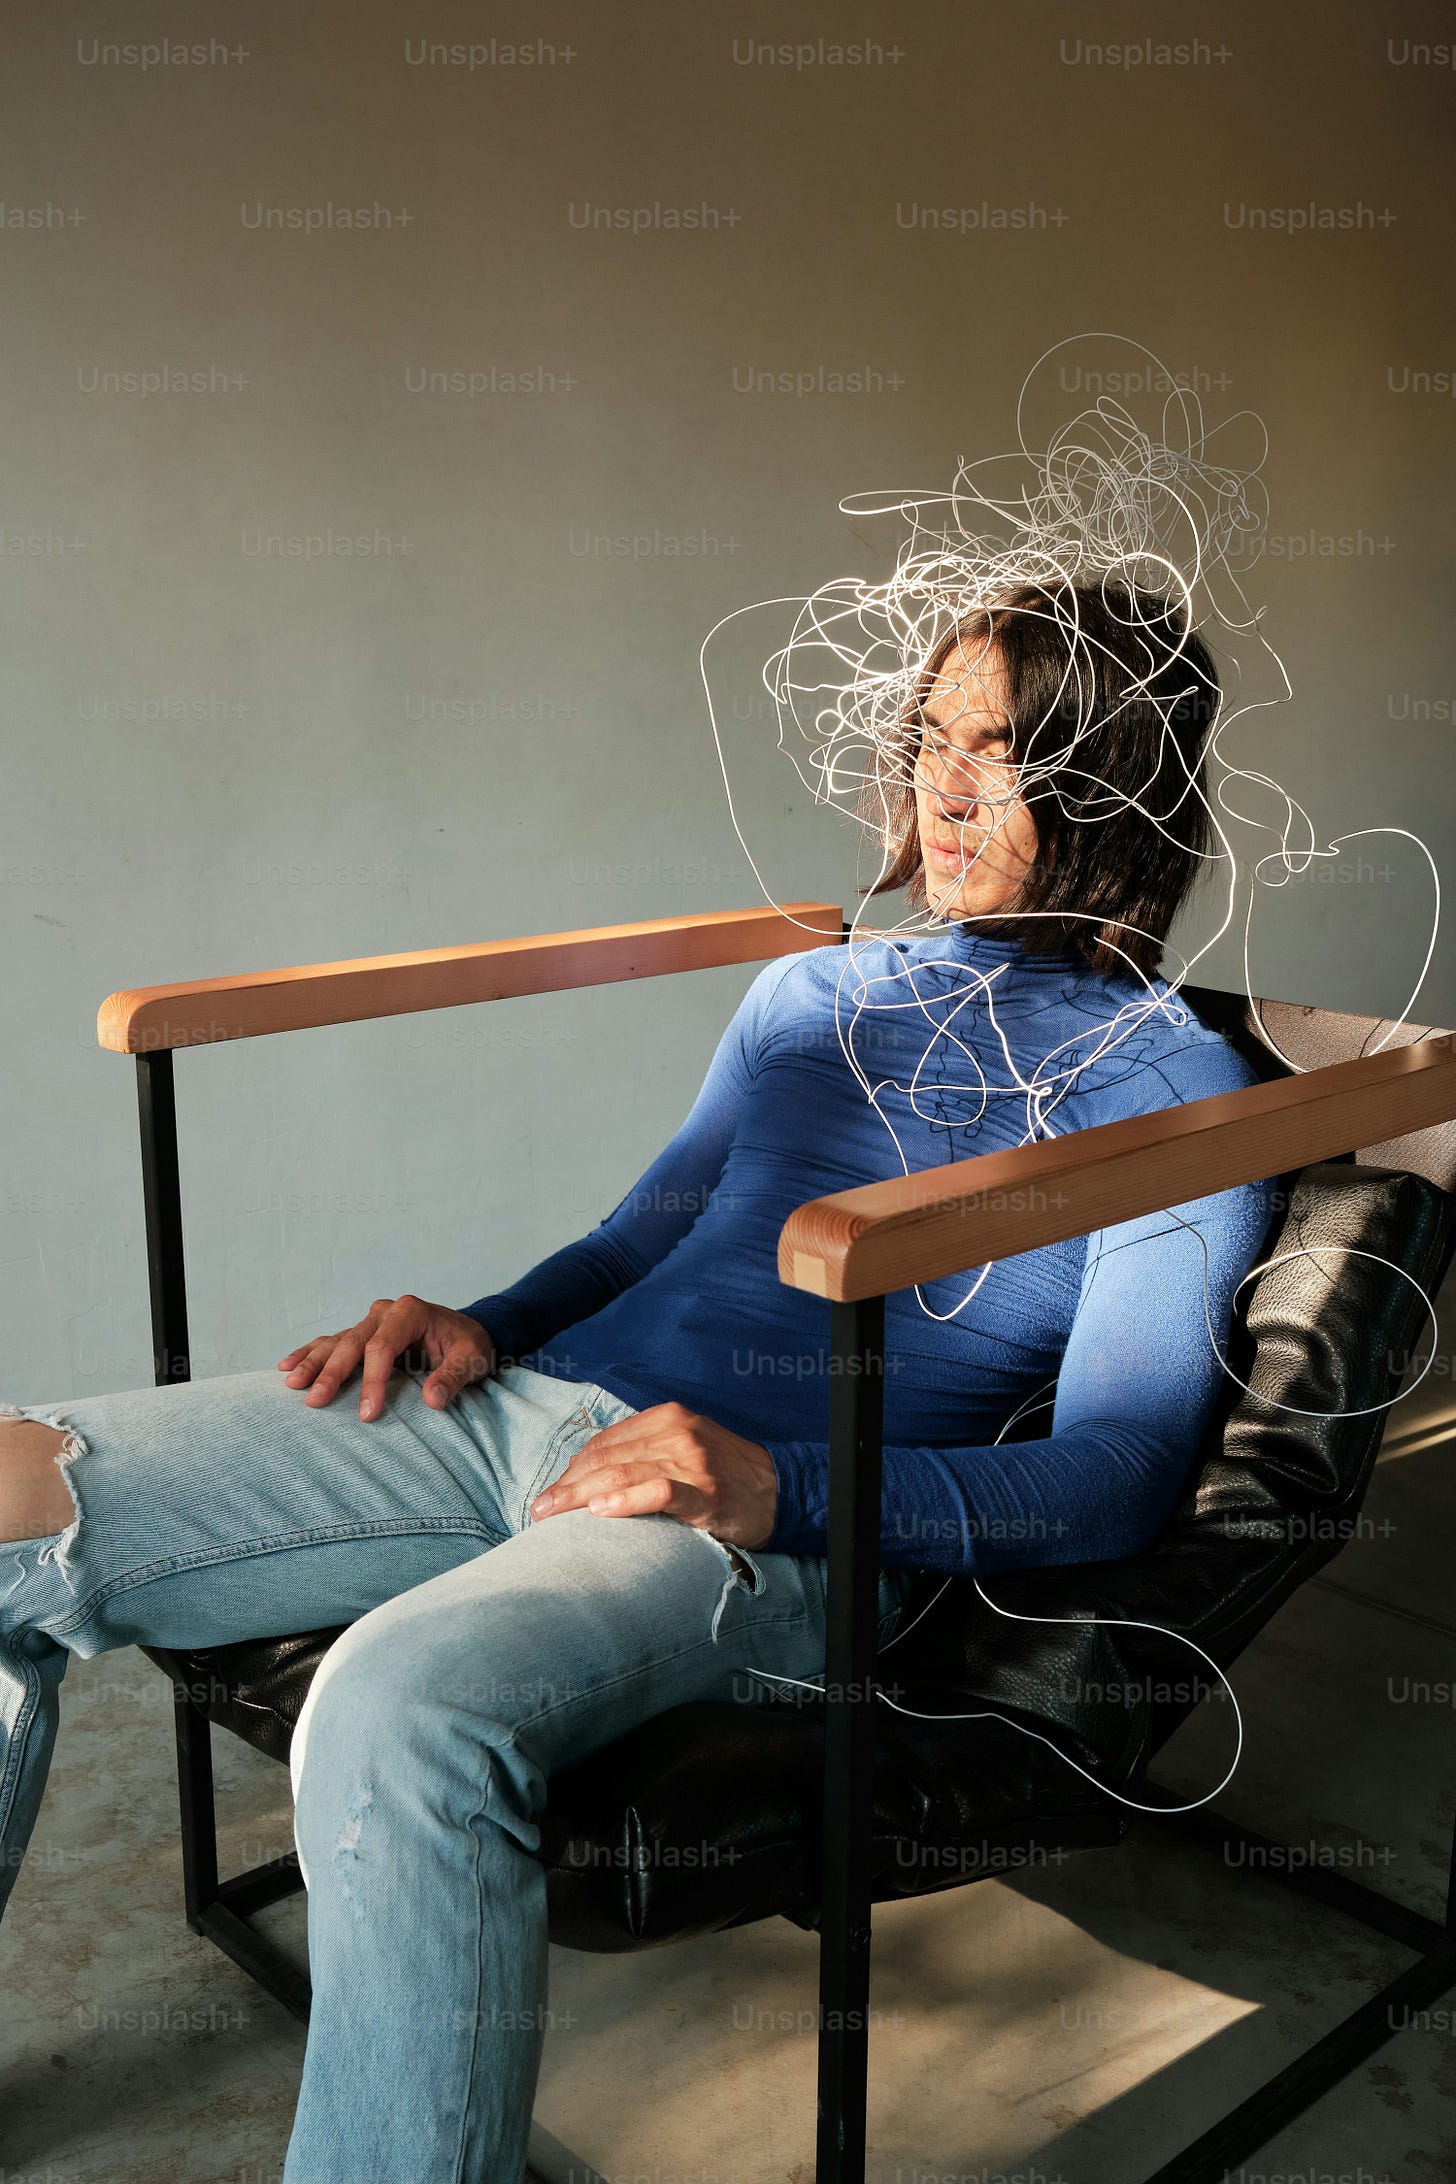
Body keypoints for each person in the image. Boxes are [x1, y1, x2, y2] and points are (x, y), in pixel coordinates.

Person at [0, 581, 1274, 2182]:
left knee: (394, 1712)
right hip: (532, 1415)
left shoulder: (1175, 1089)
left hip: (769, 1530)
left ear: (1117, 784)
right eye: (933, 737)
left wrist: (778, 1483)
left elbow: (1118, 1476)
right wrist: (482, 1321)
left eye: (1005, 751)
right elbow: (637, 1240)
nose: (946, 786)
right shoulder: (813, 990)